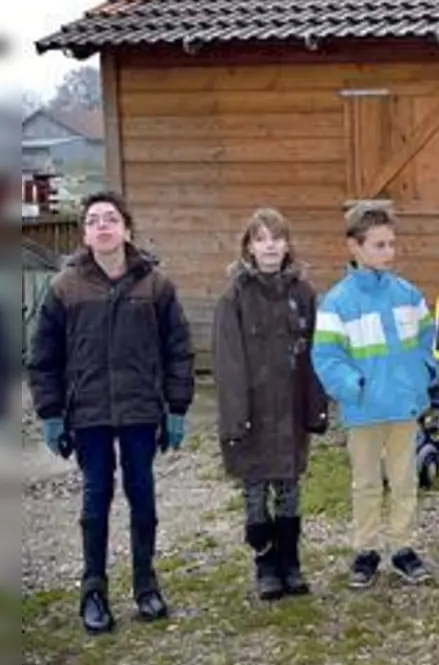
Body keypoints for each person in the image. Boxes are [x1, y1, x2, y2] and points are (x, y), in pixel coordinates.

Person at [27, 191, 195, 634]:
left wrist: (176, 407)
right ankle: (94, 591)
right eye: (94, 220)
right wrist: (51, 413)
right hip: (89, 413)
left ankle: (146, 585)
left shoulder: (156, 285)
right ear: (85, 234)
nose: (103, 226)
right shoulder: (65, 288)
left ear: (126, 229)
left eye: (111, 219)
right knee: (95, 500)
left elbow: (178, 349)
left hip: (141, 409)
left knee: (143, 497)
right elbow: (43, 356)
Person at [312, 202, 437, 589]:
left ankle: (403, 547)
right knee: (366, 482)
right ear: (355, 247)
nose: (388, 252)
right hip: (363, 409)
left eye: (391, 244)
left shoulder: (408, 295)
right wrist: (354, 387)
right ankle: (365, 550)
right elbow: (327, 356)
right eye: (379, 245)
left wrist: (422, 377)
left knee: (403, 479)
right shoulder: (337, 302)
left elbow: (425, 340)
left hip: (403, 406)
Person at [213, 208, 330, 601]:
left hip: (291, 409)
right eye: (261, 238)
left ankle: (290, 562)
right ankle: (264, 563)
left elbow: (316, 353)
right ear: (248, 246)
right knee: (255, 488)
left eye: (277, 238)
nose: (270, 246)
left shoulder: (303, 293)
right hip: (252, 409)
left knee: (289, 487)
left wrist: (316, 406)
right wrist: (235, 416)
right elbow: (227, 362)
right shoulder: (235, 296)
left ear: (288, 245)